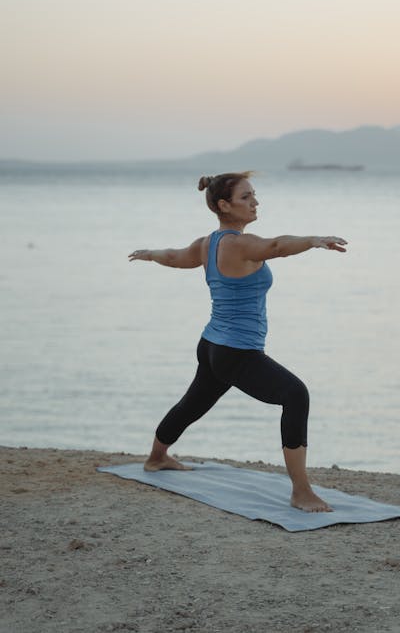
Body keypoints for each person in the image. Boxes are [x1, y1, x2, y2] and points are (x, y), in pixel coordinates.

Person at [128, 171, 347, 512]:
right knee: (295, 395)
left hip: (212, 344)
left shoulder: (207, 243)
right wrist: (313, 240)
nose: (255, 202)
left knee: (193, 404)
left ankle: (157, 459)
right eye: (246, 197)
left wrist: (150, 253)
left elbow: (174, 257)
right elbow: (275, 246)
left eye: (254, 195)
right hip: (236, 351)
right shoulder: (239, 244)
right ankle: (301, 492)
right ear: (223, 205)